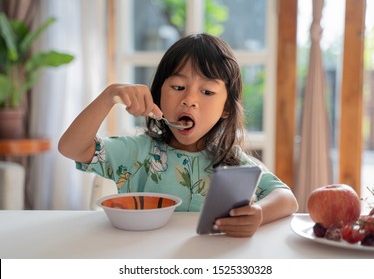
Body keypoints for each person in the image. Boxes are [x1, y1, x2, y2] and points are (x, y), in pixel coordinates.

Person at [58, 33, 298, 237]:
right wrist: (109, 96)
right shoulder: (136, 152)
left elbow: (287, 198)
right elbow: (71, 148)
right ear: (159, 93)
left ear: (226, 108)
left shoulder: (232, 161)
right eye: (178, 87)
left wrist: (259, 214)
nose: (189, 100)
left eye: (207, 91)